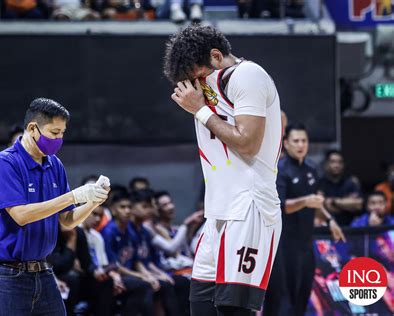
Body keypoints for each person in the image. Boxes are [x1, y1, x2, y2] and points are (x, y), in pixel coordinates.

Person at [164, 24, 283, 315]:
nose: (197, 85)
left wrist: (200, 110)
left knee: (234, 310)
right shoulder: (210, 85)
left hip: (250, 207)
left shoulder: (249, 75)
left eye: (199, 77)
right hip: (217, 213)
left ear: (216, 57)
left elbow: (248, 143)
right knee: (200, 306)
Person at [0, 98, 110, 316]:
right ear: (33, 128)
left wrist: (92, 201)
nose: (59, 139)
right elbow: (20, 215)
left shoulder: (54, 164)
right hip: (5, 274)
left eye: (62, 133)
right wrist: (72, 196)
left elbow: (67, 221)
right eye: (54, 132)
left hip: (43, 271)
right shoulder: (6, 162)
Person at [264, 123, 345, 316]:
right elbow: (281, 206)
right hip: (283, 245)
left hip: (306, 243)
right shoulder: (280, 170)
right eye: (296, 141)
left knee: (303, 295)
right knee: (283, 299)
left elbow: (316, 201)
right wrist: (305, 201)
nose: (301, 145)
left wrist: (330, 220)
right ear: (286, 143)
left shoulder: (311, 168)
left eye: (304, 140)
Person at [101, 189, 156, 315]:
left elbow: (137, 260)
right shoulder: (109, 232)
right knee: (143, 285)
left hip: (129, 274)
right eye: (122, 207)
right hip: (114, 275)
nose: (127, 211)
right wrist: (140, 276)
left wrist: (147, 274)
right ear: (113, 210)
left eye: (129, 207)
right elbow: (114, 265)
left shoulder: (131, 231)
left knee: (151, 284)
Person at [319, 150, 363, 226]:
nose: (337, 165)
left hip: (349, 227)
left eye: (340, 162)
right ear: (326, 164)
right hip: (326, 228)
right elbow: (320, 206)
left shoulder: (351, 182)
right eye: (332, 162)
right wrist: (346, 204)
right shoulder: (320, 183)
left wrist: (334, 202)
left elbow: (358, 204)